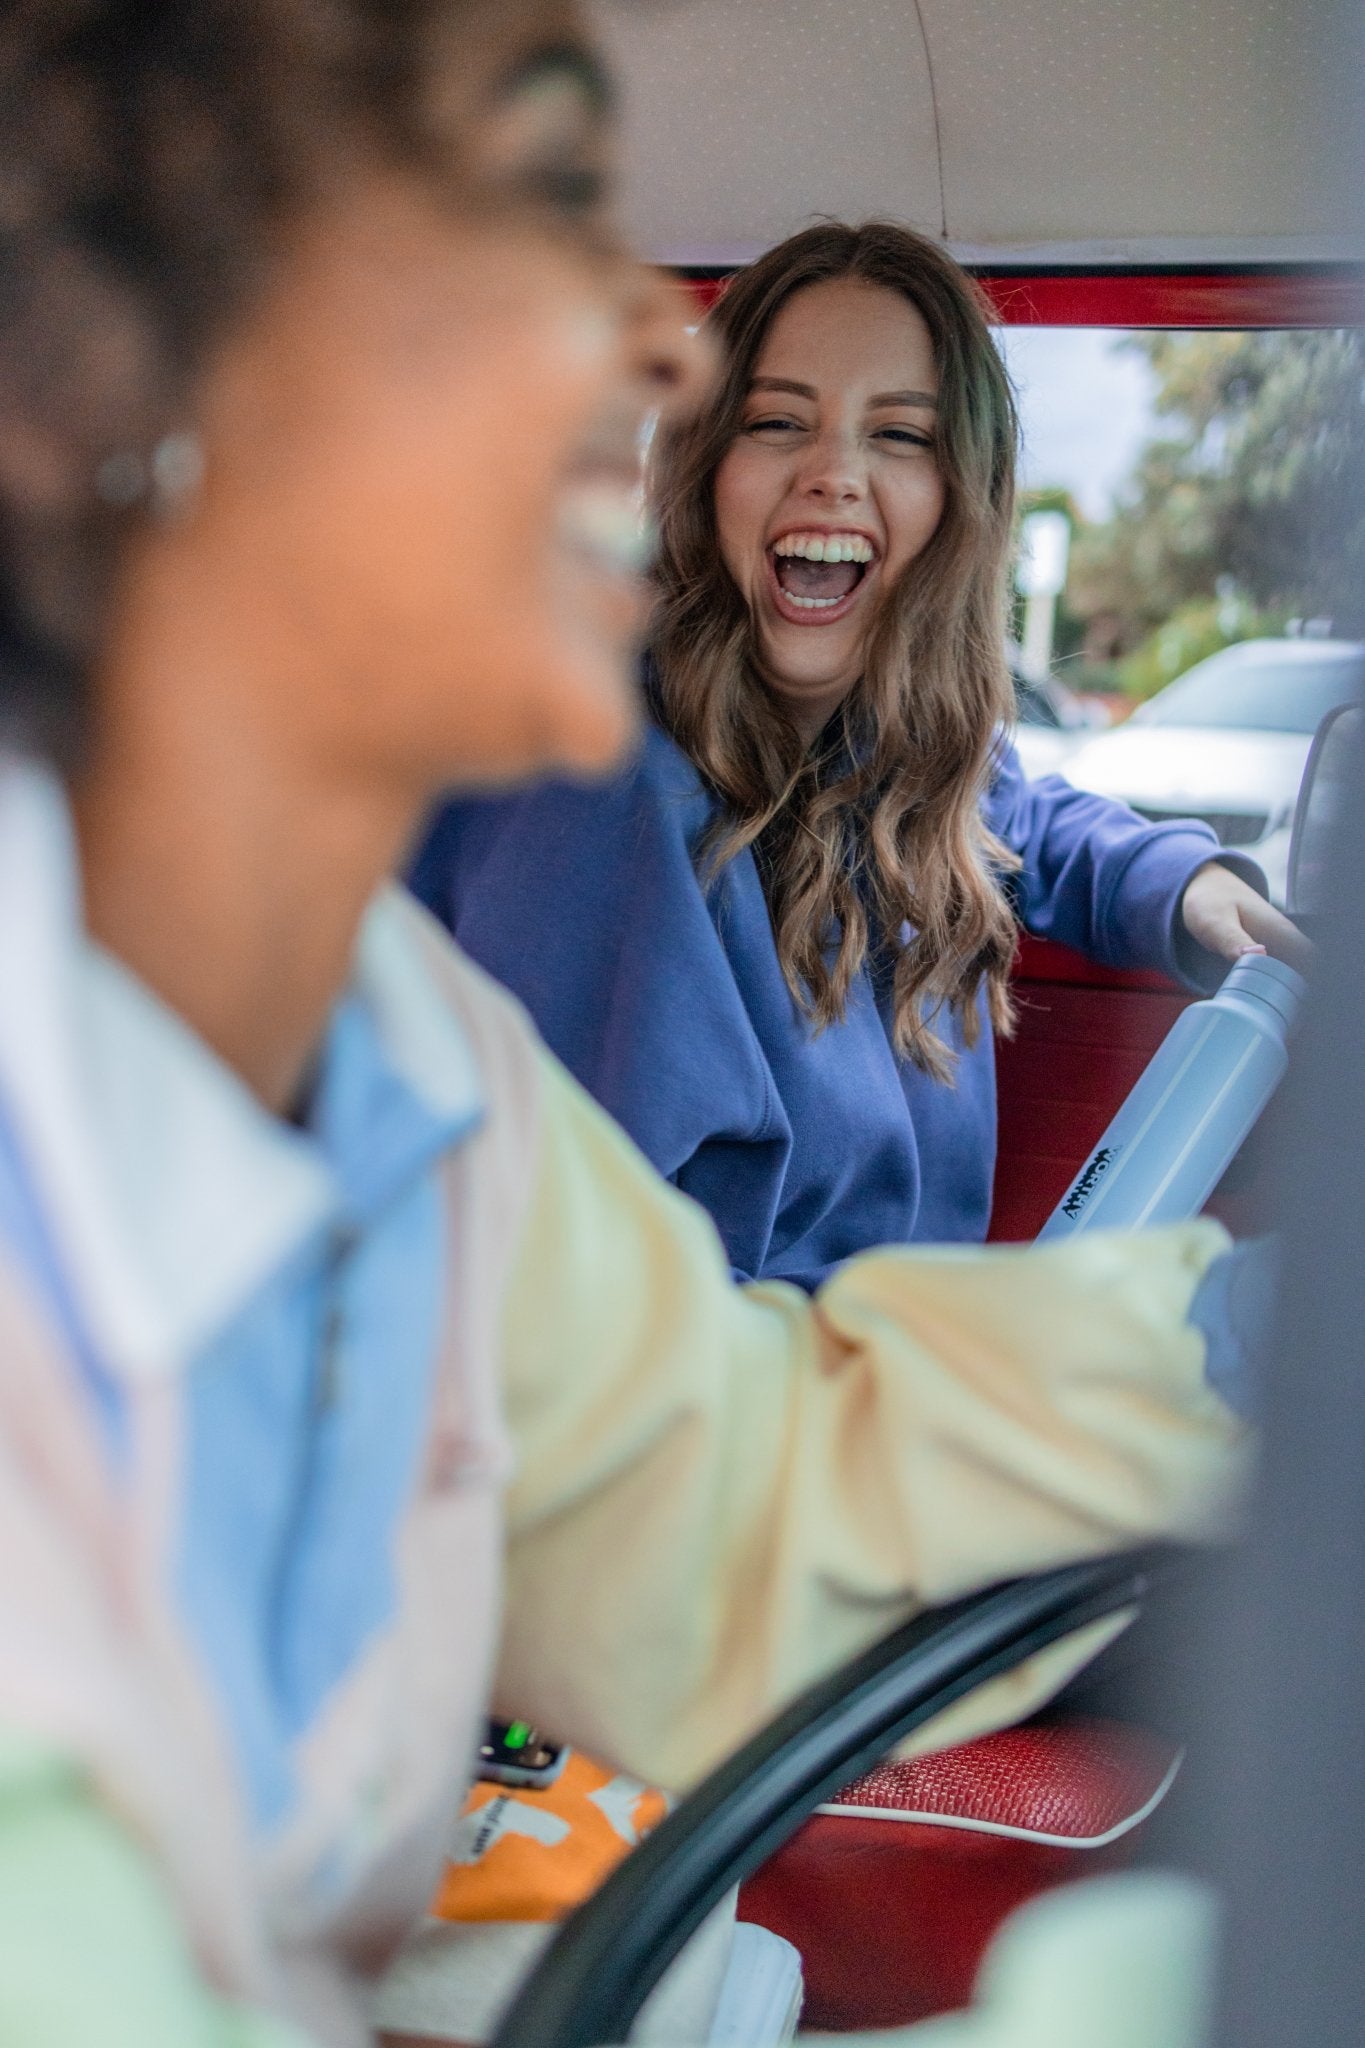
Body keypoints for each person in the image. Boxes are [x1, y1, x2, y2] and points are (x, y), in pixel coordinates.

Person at [0, 9, 1247, 2046]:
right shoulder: (575, 839)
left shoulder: (423, 1052)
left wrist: (1239, 1331)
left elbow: (718, 1477)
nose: (653, 361)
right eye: (525, 244)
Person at [412, 222, 1305, 1287]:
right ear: (706, 466)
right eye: (778, 421)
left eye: (900, 436)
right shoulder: (596, 791)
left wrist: (1180, 884)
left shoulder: (882, 745)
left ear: (956, 502)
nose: (834, 473)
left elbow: (1009, 807)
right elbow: (561, 1322)